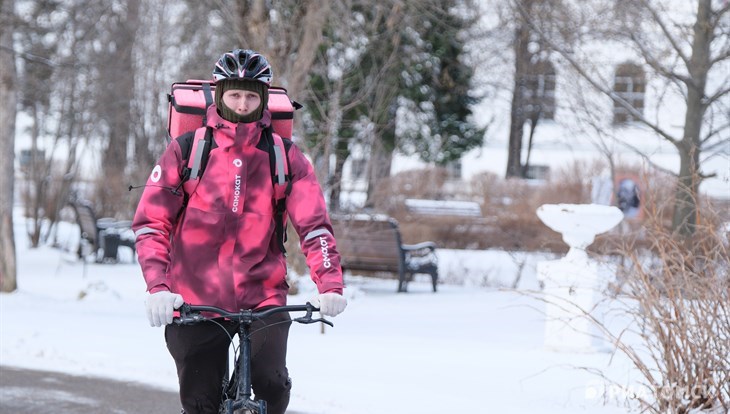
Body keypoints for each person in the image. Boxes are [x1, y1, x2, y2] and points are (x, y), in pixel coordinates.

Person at [132, 49, 347, 414]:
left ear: (262, 99)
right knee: (200, 400)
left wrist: (330, 284)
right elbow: (151, 223)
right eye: (234, 93)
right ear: (219, 95)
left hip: (262, 296)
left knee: (272, 387)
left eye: (251, 95)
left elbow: (313, 226)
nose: (243, 102)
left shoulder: (284, 156)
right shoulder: (188, 150)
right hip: (196, 299)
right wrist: (158, 288)